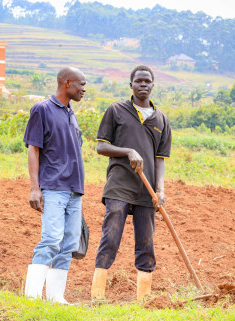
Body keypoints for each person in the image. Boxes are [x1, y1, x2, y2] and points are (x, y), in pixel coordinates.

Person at [91, 65, 172, 301]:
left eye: (148, 82)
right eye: (139, 81)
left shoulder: (161, 120)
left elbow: (160, 159)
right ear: (131, 85)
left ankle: (143, 298)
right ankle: (97, 294)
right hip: (120, 184)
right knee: (111, 232)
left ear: (153, 85)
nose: (143, 85)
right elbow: (101, 146)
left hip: (147, 190)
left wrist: (160, 190)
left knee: (146, 239)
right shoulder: (116, 110)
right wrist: (128, 151)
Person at [23, 66, 86, 304]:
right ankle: (30, 299)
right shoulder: (42, 109)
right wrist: (34, 188)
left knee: (68, 245)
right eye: (81, 84)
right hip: (53, 187)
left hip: (74, 191)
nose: (83, 89)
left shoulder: (71, 113)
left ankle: (55, 298)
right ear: (67, 83)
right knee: (51, 239)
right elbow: (33, 149)